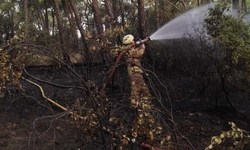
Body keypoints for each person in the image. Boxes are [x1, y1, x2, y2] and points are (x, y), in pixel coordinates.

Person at [122, 34, 151, 108]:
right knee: (136, 89)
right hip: (134, 73)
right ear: (129, 43)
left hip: (136, 72)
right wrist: (142, 46)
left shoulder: (128, 50)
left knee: (142, 88)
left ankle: (145, 103)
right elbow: (138, 53)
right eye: (132, 41)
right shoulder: (129, 51)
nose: (134, 42)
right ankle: (135, 105)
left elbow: (135, 50)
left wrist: (142, 42)